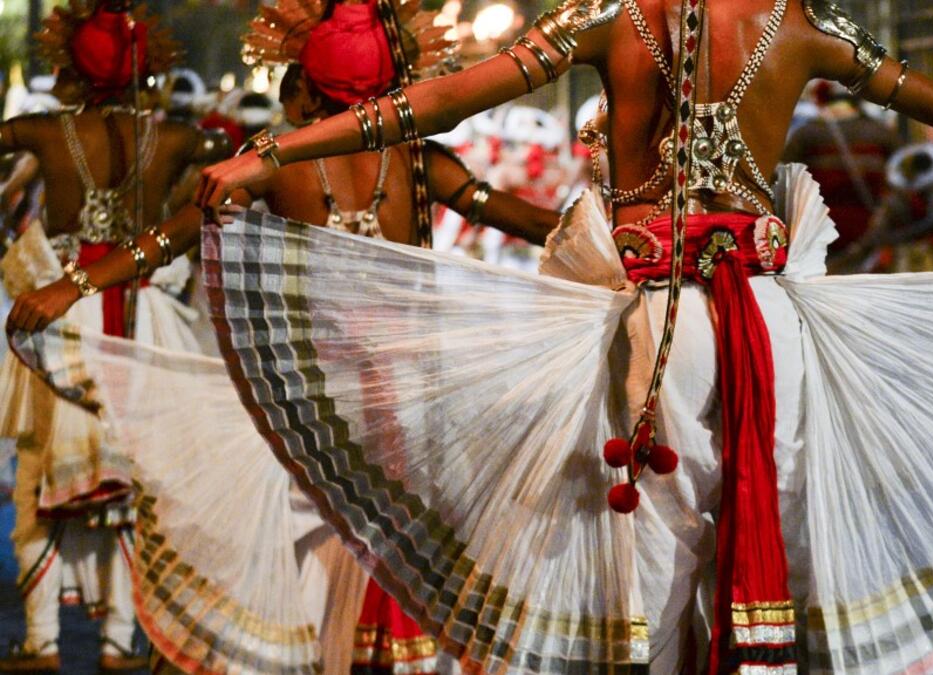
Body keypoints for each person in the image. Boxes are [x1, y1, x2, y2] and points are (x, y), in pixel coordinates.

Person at [114, 0, 933, 671]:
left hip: (648, 318)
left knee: (646, 545)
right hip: (775, 324)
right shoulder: (797, 26)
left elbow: (431, 103)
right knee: (768, 531)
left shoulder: (609, 21)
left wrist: (267, 157)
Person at [8, 1, 559, 672]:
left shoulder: (272, 161)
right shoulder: (419, 160)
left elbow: (169, 237)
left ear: (307, 88)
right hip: (409, 407)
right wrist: (617, 238)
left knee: (310, 578)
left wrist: (74, 285)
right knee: (404, 569)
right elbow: (524, 221)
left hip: (310, 408)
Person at [0, 3, 231, 671]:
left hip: (62, 308)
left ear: (68, 70)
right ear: (147, 67)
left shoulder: (42, 131)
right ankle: (120, 639)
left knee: (40, 471)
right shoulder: (181, 137)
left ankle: (42, 642)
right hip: (147, 310)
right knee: (145, 481)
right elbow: (237, 160)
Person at [780, 80, 901, 255]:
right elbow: (901, 184)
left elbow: (787, 181)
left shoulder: (805, 134)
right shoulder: (882, 132)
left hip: (819, 229)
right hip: (872, 228)